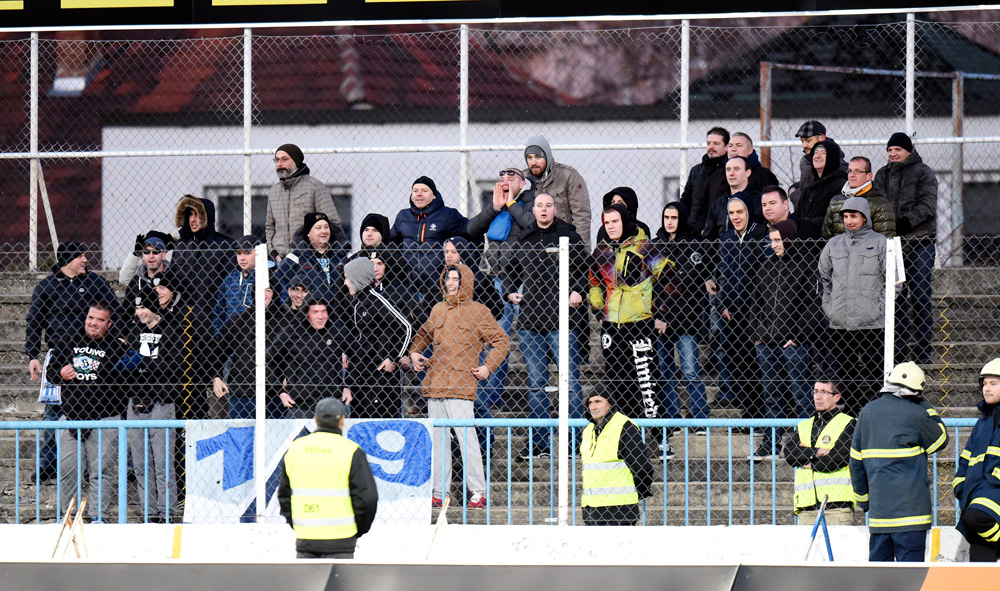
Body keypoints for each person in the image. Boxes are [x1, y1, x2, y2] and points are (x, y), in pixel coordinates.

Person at [409, 264, 510, 509]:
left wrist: (487, 367)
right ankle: (439, 493)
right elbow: (423, 333)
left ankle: (478, 492)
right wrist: (414, 352)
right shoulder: (438, 309)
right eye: (448, 278)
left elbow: (502, 341)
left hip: (461, 387)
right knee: (439, 442)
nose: (451, 283)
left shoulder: (478, 311)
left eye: (455, 278)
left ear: (465, 281)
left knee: (467, 440)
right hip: (435, 385)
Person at [25, 241, 121, 482]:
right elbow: (34, 321)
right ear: (67, 259)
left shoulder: (96, 282)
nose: (85, 260)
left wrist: (119, 337)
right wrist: (33, 355)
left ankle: (88, 466)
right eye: (80, 256)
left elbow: (116, 311)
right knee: (53, 412)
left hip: (94, 352)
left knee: (91, 409)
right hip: (59, 356)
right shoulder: (46, 287)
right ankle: (48, 464)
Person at [504, 192, 590, 461]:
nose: (543, 210)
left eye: (548, 205)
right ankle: (539, 444)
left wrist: (578, 290)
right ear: (534, 210)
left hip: (562, 322)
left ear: (555, 209)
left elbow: (585, 269)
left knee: (570, 383)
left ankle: (575, 444)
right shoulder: (525, 237)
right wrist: (510, 291)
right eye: (539, 205)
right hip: (531, 323)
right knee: (536, 385)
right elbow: (509, 271)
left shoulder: (569, 235)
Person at [589, 204, 675, 456]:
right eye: (607, 222)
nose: (611, 226)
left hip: (640, 325)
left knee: (647, 384)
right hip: (612, 328)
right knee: (618, 385)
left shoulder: (644, 246)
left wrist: (660, 312)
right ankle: (628, 440)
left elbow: (671, 278)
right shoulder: (601, 251)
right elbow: (593, 282)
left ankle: (660, 440)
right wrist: (600, 310)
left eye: (615, 221)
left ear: (625, 221)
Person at [850, 362, 948, 562]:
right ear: (917, 391)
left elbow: (856, 463)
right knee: (910, 577)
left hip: (880, 516)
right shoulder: (917, 413)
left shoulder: (867, 412)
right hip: (912, 516)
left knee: (880, 577)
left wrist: (864, 500)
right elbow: (941, 439)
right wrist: (924, 405)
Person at [45, 302, 126, 523]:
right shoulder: (69, 340)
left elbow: (122, 377)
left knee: (101, 472)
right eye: (91, 317)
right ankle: (69, 517)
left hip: (104, 418)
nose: (93, 323)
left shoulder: (116, 346)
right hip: (71, 417)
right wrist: (61, 374)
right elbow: (51, 372)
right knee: (68, 471)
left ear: (109, 324)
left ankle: (99, 517)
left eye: (100, 320)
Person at [749, 220, 819, 460]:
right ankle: (771, 443)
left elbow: (812, 305)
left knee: (801, 396)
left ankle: (805, 442)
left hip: (793, 344)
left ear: (789, 238)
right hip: (767, 343)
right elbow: (756, 303)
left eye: (778, 240)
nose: (774, 245)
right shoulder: (765, 266)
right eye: (772, 240)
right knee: (771, 397)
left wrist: (798, 336)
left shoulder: (805, 265)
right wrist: (757, 335)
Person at [278, 398, 378, 559]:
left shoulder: (296, 448)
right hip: (342, 539)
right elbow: (367, 498)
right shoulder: (350, 451)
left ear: (315, 420)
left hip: (306, 538)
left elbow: (284, 495)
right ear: (342, 420)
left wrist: (299, 525)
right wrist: (357, 530)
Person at [818, 197, 889, 415]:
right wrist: (830, 308)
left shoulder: (881, 243)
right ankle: (852, 413)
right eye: (846, 217)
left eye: (854, 216)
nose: (849, 221)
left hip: (873, 323)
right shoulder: (834, 244)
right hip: (840, 322)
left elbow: (893, 280)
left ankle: (874, 412)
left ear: (864, 217)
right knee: (845, 372)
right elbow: (821, 277)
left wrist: (881, 308)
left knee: (875, 371)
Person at [874, 132, 938, 365]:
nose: (892, 154)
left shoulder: (924, 172)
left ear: (908, 151)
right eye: (890, 150)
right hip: (892, 246)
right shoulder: (882, 174)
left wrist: (905, 223)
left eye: (897, 150)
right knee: (896, 300)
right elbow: (875, 204)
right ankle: (899, 352)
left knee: (920, 296)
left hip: (921, 243)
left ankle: (922, 352)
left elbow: (928, 205)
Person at [171, 195, 235, 418]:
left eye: (198, 214)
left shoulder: (225, 245)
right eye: (189, 214)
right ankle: (187, 435)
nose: (193, 219)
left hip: (214, 327)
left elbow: (230, 288)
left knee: (218, 390)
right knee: (188, 389)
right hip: (185, 327)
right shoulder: (181, 248)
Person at [653, 201, 710, 431]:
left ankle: (699, 419)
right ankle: (673, 418)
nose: (669, 222)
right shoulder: (655, 245)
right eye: (666, 217)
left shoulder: (693, 245)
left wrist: (668, 276)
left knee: (690, 371)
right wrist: (658, 315)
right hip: (660, 321)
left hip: (686, 320)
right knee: (665, 372)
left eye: (674, 218)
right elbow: (651, 283)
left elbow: (687, 279)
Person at [124, 290, 180, 522]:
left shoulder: (170, 330)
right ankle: (149, 512)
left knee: (163, 463)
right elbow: (126, 365)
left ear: (153, 307)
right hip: (136, 402)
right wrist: (145, 363)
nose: (139, 313)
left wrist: (141, 362)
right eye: (137, 309)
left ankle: (166, 511)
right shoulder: (133, 332)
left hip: (161, 402)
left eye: (143, 308)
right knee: (140, 464)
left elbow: (172, 366)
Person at [713, 195, 767, 418]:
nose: (735, 217)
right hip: (731, 314)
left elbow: (761, 278)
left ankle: (760, 414)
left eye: (740, 212)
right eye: (732, 213)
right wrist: (722, 305)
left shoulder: (760, 235)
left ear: (749, 212)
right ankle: (749, 413)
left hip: (754, 314)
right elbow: (722, 275)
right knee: (736, 364)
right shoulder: (727, 239)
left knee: (755, 365)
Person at [342, 258, 413, 418]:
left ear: (358, 278)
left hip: (379, 378)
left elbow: (406, 326)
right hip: (361, 374)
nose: (345, 283)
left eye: (347, 278)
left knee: (380, 424)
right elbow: (360, 339)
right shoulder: (356, 302)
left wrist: (394, 357)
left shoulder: (377, 300)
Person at [784, 379, 857, 525]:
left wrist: (808, 463)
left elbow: (839, 458)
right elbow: (790, 454)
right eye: (815, 392)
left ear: (836, 397)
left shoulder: (848, 423)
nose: (818, 396)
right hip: (806, 507)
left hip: (836, 506)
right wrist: (818, 452)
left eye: (824, 392)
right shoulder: (804, 425)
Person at [580, 384, 654, 526]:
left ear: (610, 404)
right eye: (590, 402)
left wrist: (635, 493)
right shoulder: (588, 430)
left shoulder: (625, 426)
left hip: (620, 510)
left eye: (598, 402)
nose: (593, 407)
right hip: (592, 509)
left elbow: (643, 467)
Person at [390, 176, 471, 303]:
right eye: (415, 191)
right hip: (409, 289)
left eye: (424, 190)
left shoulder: (448, 215)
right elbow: (390, 245)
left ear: (434, 195)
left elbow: (471, 233)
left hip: (438, 288)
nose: (419, 194)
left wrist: (469, 266)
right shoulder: (403, 216)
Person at [212, 276, 284, 419]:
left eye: (268, 290)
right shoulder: (238, 321)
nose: (263, 295)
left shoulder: (287, 322)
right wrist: (217, 378)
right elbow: (218, 352)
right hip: (242, 394)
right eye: (259, 290)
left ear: (275, 293)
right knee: (241, 432)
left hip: (275, 395)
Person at [953, 359, 1000, 562]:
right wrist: (960, 485)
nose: (986, 389)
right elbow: (966, 458)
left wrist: (994, 478)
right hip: (976, 491)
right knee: (980, 568)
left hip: (993, 491)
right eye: (985, 384)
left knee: (975, 516)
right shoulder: (983, 420)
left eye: (993, 384)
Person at [266, 143, 348, 259]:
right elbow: (269, 226)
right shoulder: (274, 191)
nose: (279, 164)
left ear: (296, 161)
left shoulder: (314, 187)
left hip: (307, 258)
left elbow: (332, 222)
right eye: (277, 160)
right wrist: (274, 253)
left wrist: (319, 253)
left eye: (284, 159)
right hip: (279, 259)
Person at [270, 299, 348, 418]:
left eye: (323, 311)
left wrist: (348, 386)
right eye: (315, 312)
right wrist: (280, 391)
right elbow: (269, 361)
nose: (320, 316)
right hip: (300, 404)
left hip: (332, 402)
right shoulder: (291, 333)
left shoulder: (338, 331)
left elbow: (358, 356)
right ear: (306, 313)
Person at [523, 136, 591, 244]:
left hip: (565, 242)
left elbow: (581, 215)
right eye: (529, 158)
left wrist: (578, 247)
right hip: (533, 245)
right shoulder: (522, 180)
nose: (533, 162)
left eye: (538, 157)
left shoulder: (568, 176)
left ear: (547, 156)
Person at [276, 212, 348, 304]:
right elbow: (280, 287)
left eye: (326, 227)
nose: (324, 231)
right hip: (307, 311)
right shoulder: (295, 259)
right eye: (318, 228)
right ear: (308, 233)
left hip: (340, 311)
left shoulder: (343, 257)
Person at [823, 156, 896, 239]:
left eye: (857, 171)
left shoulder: (881, 205)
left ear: (869, 176)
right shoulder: (835, 201)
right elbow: (826, 237)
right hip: (838, 248)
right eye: (850, 171)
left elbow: (885, 240)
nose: (852, 175)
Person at [795, 139, 848, 239]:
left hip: (827, 242)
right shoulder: (810, 187)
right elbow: (797, 214)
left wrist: (803, 224)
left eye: (823, 153)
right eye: (815, 152)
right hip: (805, 243)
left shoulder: (841, 185)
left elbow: (835, 221)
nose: (818, 156)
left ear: (832, 157)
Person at [702, 156, 762, 240]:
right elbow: (708, 237)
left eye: (736, 169)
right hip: (722, 247)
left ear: (748, 173)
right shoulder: (718, 204)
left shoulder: (759, 201)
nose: (731, 173)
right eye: (728, 169)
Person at [789, 120, 847, 207]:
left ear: (822, 138)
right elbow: (807, 185)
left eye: (808, 141)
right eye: (802, 141)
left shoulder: (837, 165)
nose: (804, 145)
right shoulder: (805, 161)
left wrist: (793, 194)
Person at [684, 126, 731, 232]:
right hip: (694, 229)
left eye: (716, 143)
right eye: (708, 143)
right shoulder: (696, 171)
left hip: (719, 229)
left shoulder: (729, 171)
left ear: (726, 147)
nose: (711, 147)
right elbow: (686, 199)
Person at [212, 235, 258, 336]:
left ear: (258, 253)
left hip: (254, 338)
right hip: (229, 339)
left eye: (247, 253)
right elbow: (219, 312)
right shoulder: (229, 280)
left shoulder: (266, 279)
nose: (242, 258)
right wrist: (220, 336)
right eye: (239, 253)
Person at [122, 232, 173, 318]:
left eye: (156, 252)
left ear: (164, 255)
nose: (151, 256)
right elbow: (125, 314)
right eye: (147, 252)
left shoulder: (173, 278)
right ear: (142, 255)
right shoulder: (136, 281)